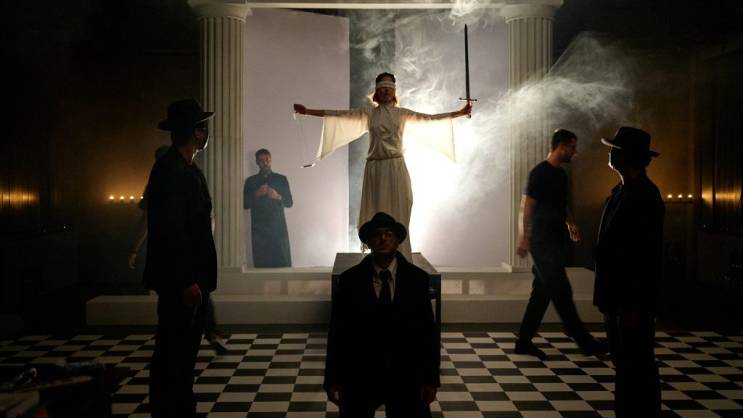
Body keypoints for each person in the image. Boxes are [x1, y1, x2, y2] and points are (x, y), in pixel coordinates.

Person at [294, 72, 471, 258]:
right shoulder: (369, 114)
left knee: (399, 213)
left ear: (394, 91)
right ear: (377, 92)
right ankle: (378, 257)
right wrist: (308, 111)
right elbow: (339, 115)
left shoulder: (402, 114)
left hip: (396, 168)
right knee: (378, 214)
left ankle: (401, 257)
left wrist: (459, 113)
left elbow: (430, 119)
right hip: (376, 169)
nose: (386, 91)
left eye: (389, 88)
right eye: (382, 88)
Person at [143, 98, 218, 418]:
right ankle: (169, 410)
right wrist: (186, 280)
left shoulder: (187, 168)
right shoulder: (170, 171)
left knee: (184, 354)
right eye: (203, 127)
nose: (207, 133)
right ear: (196, 133)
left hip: (192, 278)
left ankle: (180, 407)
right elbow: (171, 232)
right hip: (181, 282)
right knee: (172, 352)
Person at [324, 212, 439, 418]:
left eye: (389, 234)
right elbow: (338, 332)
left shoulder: (417, 279)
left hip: (406, 373)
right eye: (377, 234)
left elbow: (427, 333)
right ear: (369, 241)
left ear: (397, 240)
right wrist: (332, 378)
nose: (383, 238)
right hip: (361, 373)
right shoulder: (350, 280)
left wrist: (430, 380)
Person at [515, 129, 608, 360]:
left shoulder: (561, 175)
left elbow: (562, 204)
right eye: (572, 147)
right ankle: (585, 342)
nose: (575, 152)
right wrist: (524, 237)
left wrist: (571, 223)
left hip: (554, 240)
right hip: (541, 242)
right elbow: (527, 206)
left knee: (542, 293)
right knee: (562, 291)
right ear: (561, 146)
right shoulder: (540, 173)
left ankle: (523, 342)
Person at [128, 145, 228, 355]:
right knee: (187, 298)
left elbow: (147, 220)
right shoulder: (181, 177)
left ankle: (188, 338)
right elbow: (205, 217)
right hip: (177, 253)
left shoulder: (180, 177)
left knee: (182, 299)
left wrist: (134, 249)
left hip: (176, 254)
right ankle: (201, 336)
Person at [595, 126, 664, 417]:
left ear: (628, 157)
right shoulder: (622, 192)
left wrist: (631, 305)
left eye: (615, 149)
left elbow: (642, 255)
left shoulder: (644, 196)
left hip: (630, 301)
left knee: (637, 366)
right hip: (617, 298)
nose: (610, 153)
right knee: (625, 365)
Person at [243, 148, 293, 267]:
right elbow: (245, 204)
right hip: (259, 231)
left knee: (282, 264)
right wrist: (256, 194)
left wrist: (277, 196)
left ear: (271, 160)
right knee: (262, 266)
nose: (265, 163)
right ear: (257, 162)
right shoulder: (251, 181)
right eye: (261, 160)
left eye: (267, 160)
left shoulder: (281, 179)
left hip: (278, 229)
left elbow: (289, 203)